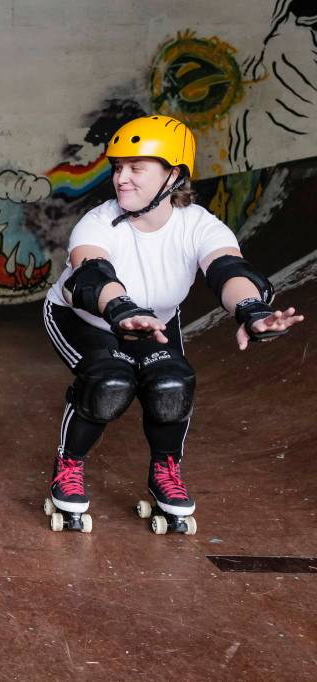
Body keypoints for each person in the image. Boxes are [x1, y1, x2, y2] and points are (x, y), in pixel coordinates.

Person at [41, 115, 304, 534]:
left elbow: (228, 270)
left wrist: (251, 309)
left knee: (171, 384)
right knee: (110, 382)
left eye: (136, 168)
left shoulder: (198, 225)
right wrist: (121, 309)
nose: (121, 178)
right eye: (118, 167)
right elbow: (91, 275)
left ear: (174, 174)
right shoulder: (97, 222)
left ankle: (165, 469)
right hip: (84, 320)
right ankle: (69, 465)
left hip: (156, 323)